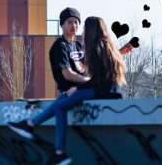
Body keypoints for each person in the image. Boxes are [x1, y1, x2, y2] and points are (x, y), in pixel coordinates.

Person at [8, 16, 128, 165]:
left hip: (104, 92)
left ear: (90, 30)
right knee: (62, 98)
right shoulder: (106, 46)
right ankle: (29, 125)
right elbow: (100, 78)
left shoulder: (97, 48)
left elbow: (97, 80)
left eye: (84, 28)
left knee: (61, 106)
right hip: (107, 91)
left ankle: (59, 153)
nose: (82, 31)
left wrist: (77, 88)